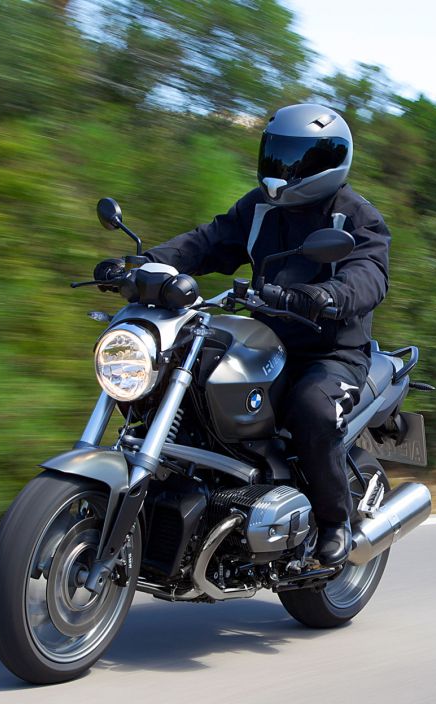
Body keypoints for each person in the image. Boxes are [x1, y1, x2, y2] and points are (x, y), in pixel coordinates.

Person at [95, 103, 390, 566]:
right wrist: (145, 263)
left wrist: (325, 296)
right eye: (276, 156)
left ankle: (338, 524)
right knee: (184, 374)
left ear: (328, 162)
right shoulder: (258, 208)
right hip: (260, 337)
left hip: (328, 350)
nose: (282, 170)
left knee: (311, 410)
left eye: (295, 160)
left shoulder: (355, 216)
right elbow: (207, 242)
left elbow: (369, 275)